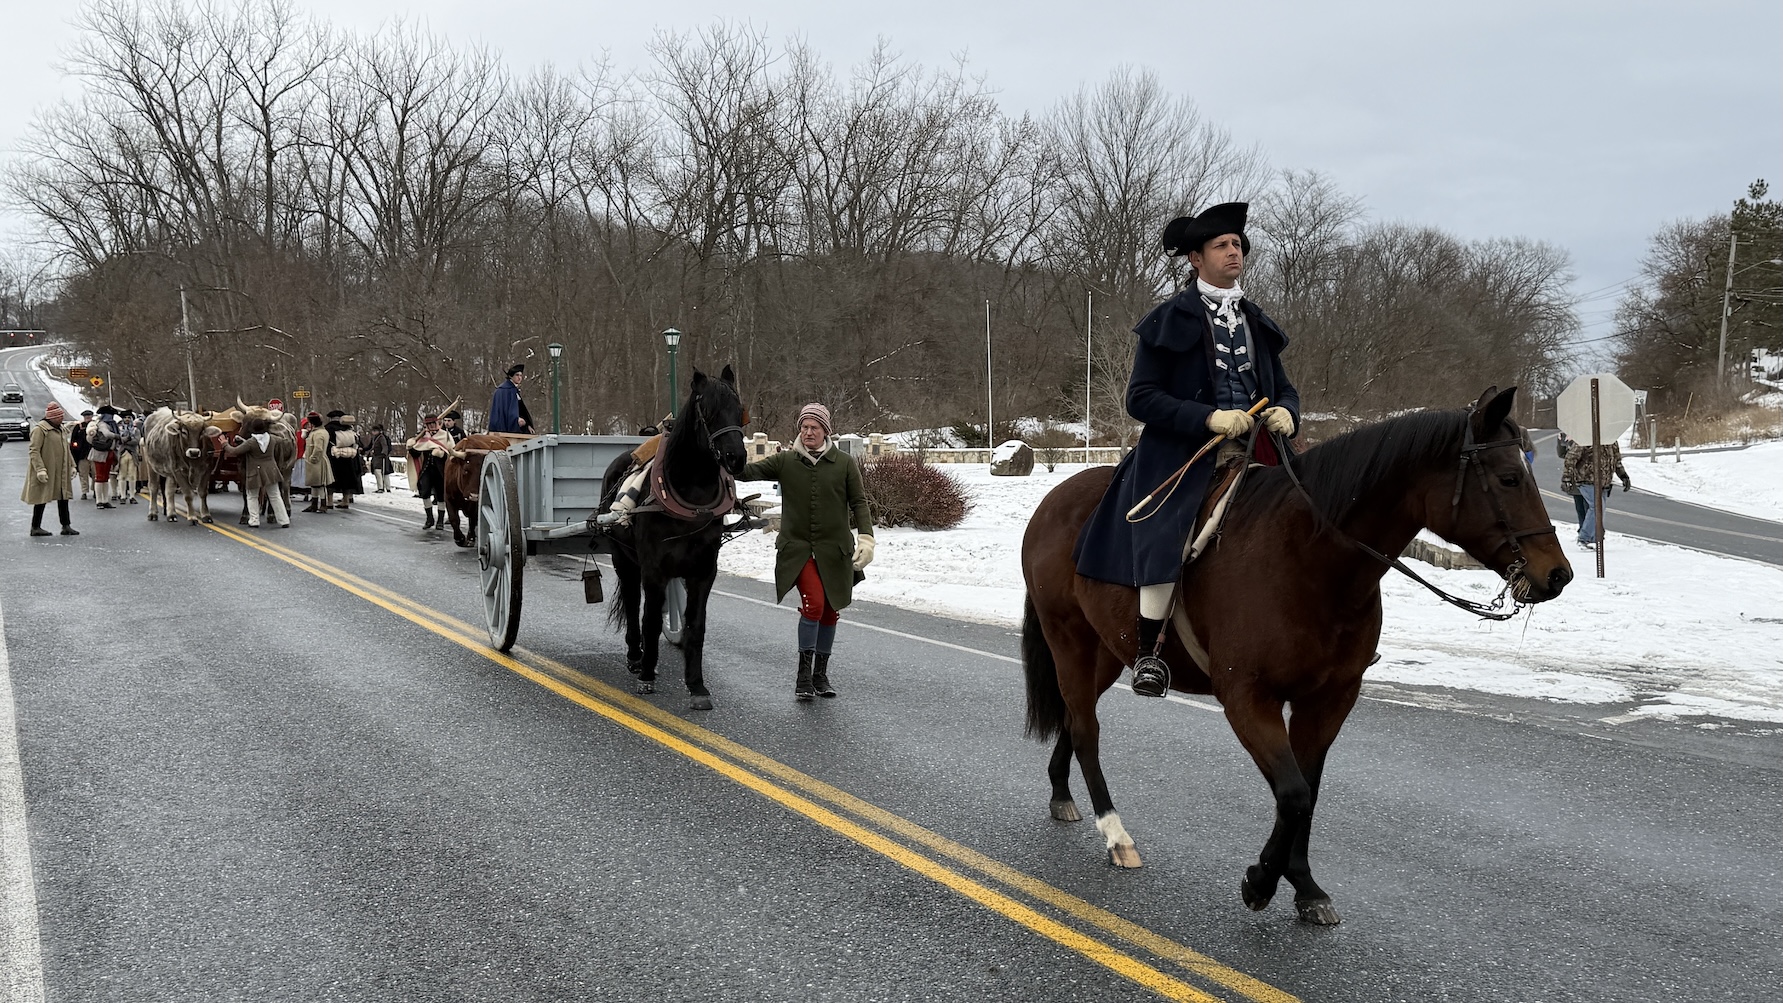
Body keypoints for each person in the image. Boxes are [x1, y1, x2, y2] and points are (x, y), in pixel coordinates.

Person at [1071, 202, 1300, 698]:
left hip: (1258, 451)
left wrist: (1287, 412)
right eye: (1221, 245)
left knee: (1317, 516)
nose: (1233, 251)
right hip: (1184, 456)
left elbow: (1284, 388)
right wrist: (1208, 418)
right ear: (1196, 259)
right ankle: (1150, 653)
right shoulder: (1167, 320)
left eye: (1237, 244)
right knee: (1168, 532)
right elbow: (1140, 398)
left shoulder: (1256, 321)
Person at [738, 403, 876, 701]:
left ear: (826, 430)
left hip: (835, 551)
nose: (808, 432)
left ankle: (820, 674)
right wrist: (725, 450)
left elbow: (859, 502)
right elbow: (745, 472)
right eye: (804, 427)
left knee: (830, 610)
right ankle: (803, 675)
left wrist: (867, 538)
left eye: (814, 427)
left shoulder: (844, 463)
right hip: (798, 550)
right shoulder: (785, 461)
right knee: (814, 604)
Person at [1563, 437, 1632, 549]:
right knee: (1596, 508)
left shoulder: (1611, 441)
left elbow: (1616, 461)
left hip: (1604, 483)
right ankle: (1584, 538)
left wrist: (1623, 476)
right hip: (1586, 479)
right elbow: (1571, 458)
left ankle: (1595, 538)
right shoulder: (1586, 438)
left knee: (1600, 510)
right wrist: (1567, 477)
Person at [22, 402, 78, 537]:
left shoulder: (61, 429)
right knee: (41, 497)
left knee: (63, 497)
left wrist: (72, 465)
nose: (61, 419)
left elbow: (66, 449)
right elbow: (34, 451)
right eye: (59, 417)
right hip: (47, 469)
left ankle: (66, 525)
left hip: (61, 470)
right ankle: (35, 527)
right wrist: (40, 469)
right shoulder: (40, 430)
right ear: (51, 418)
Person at [224, 417, 290, 528]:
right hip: (271, 471)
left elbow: (234, 451)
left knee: (252, 496)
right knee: (275, 496)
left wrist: (224, 444)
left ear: (252, 429)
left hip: (255, 472)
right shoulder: (272, 439)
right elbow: (282, 440)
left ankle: (254, 520)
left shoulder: (251, 442)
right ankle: (284, 520)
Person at [406, 413, 456, 530]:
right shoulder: (423, 437)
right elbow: (416, 454)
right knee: (425, 493)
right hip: (426, 470)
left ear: (438, 423)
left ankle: (440, 521)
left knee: (440, 495)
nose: (431, 426)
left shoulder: (446, 436)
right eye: (429, 424)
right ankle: (429, 519)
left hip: (441, 470)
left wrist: (442, 454)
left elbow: (452, 453)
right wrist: (411, 447)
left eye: (433, 423)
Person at [325, 411, 361, 510]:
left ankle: (330, 501)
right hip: (347, 458)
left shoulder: (328, 428)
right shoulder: (349, 428)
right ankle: (345, 501)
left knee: (331, 479)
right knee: (346, 479)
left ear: (331, 418)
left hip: (333, 456)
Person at [87, 405, 121, 509]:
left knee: (105, 477)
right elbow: (107, 434)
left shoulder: (110, 424)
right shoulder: (102, 424)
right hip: (100, 453)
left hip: (108, 452)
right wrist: (118, 436)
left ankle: (105, 500)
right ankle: (99, 501)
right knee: (99, 477)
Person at [301, 413, 333, 512]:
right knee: (314, 484)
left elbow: (318, 449)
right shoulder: (318, 432)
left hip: (318, 461)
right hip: (316, 461)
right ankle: (314, 504)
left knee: (320, 484)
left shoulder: (319, 433)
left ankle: (323, 505)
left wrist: (312, 458)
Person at [487, 364, 533, 433]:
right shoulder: (504, 390)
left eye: (521, 375)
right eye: (517, 375)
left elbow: (520, 409)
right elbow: (505, 411)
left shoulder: (513, 390)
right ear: (511, 376)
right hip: (505, 428)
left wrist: (528, 424)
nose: (519, 378)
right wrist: (516, 419)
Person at [1556, 432, 1588, 525]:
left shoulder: (1586, 439)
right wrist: (1562, 442)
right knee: (1580, 508)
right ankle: (1583, 529)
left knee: (1590, 509)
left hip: (1588, 480)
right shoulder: (1571, 436)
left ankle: (1589, 532)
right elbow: (1563, 455)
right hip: (1576, 480)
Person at [114, 409, 141, 503]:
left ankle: (132, 496)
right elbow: (118, 440)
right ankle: (122, 496)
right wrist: (126, 440)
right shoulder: (119, 429)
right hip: (122, 454)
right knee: (122, 475)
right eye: (125, 418)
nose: (127, 419)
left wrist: (125, 440)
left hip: (132, 454)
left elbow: (136, 441)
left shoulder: (136, 430)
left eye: (129, 417)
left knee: (132, 476)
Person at [70, 409, 95, 499]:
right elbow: (73, 441)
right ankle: (84, 491)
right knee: (83, 474)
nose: (88, 418)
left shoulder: (96, 426)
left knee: (95, 474)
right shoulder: (79, 427)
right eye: (86, 416)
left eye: (89, 416)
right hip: (82, 455)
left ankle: (95, 490)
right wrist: (75, 450)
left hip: (94, 455)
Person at [365, 423, 393, 493]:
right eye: (373, 431)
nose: (373, 432)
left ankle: (383, 487)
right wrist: (365, 451)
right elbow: (371, 447)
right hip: (376, 456)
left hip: (381, 457)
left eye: (375, 430)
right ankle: (382, 487)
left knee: (381, 471)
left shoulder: (382, 438)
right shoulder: (374, 438)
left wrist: (384, 453)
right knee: (379, 472)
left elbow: (385, 446)